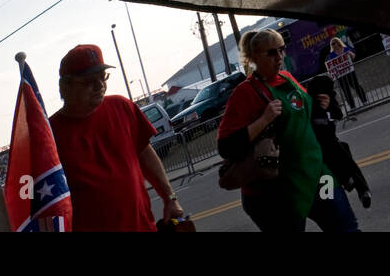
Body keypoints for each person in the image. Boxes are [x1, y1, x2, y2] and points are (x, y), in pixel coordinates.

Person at [217, 29, 360, 232]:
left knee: (345, 227)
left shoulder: (287, 78)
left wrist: (321, 105)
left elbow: (305, 114)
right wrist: (264, 119)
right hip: (276, 193)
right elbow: (226, 147)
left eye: (282, 50)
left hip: (318, 178)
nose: (280, 57)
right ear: (255, 57)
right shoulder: (245, 93)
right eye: (272, 53)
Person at [49, 44, 184, 232]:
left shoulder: (122, 107)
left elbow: (145, 154)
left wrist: (170, 198)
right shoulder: (49, 136)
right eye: (88, 81)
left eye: (102, 77)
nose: (99, 86)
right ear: (65, 86)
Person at [308, 74, 372, 208]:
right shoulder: (311, 106)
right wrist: (322, 111)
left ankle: (361, 189)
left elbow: (338, 114)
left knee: (343, 148)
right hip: (319, 148)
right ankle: (351, 183)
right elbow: (321, 130)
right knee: (340, 150)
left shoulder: (329, 99)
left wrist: (329, 106)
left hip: (331, 143)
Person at [329, 36, 368, 108]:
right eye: (331, 44)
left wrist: (349, 53)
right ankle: (352, 106)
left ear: (338, 43)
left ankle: (364, 100)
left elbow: (353, 57)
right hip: (341, 75)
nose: (333, 45)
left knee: (356, 86)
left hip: (350, 72)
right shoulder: (331, 55)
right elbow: (331, 66)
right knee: (346, 91)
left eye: (334, 43)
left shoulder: (346, 48)